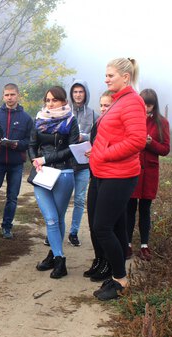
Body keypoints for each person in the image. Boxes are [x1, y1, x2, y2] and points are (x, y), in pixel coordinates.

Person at [90, 58, 147, 301]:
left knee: (102, 228)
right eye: (106, 75)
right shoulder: (118, 101)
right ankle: (116, 275)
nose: (106, 79)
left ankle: (121, 281)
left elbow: (136, 141)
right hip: (104, 172)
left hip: (119, 174)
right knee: (111, 226)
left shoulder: (133, 102)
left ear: (126, 76)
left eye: (110, 75)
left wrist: (104, 153)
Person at [29, 86, 79, 279]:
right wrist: (35, 159)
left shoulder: (70, 120)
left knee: (57, 218)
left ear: (63, 101)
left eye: (54, 100)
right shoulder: (40, 118)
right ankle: (60, 259)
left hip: (63, 173)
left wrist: (45, 159)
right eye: (47, 100)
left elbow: (73, 149)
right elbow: (32, 145)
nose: (50, 104)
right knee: (50, 218)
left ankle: (53, 254)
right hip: (42, 174)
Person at [0, 83, 33, 247]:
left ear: (18, 95)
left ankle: (7, 227)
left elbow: (30, 141)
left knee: (12, 198)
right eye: (7, 95)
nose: (10, 98)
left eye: (12, 94)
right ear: (3, 96)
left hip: (16, 163)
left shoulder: (26, 118)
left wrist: (17, 145)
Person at [127, 88, 170, 261]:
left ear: (155, 105)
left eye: (149, 105)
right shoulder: (132, 119)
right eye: (143, 104)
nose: (146, 108)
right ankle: (127, 244)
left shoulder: (162, 122)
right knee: (129, 208)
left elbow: (166, 149)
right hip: (133, 169)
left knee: (145, 209)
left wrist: (151, 143)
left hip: (150, 172)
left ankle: (144, 245)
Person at [83, 91, 115, 282]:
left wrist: (97, 153)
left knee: (104, 224)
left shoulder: (114, 126)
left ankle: (109, 264)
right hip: (94, 176)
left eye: (107, 105)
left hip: (110, 178)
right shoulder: (97, 124)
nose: (103, 109)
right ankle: (99, 259)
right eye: (101, 105)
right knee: (92, 220)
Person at [67, 80, 98, 247]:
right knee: (62, 200)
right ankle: (54, 232)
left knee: (79, 200)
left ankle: (74, 232)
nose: (78, 95)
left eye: (81, 92)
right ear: (71, 94)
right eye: (75, 92)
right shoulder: (65, 112)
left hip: (84, 165)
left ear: (86, 93)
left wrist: (84, 137)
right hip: (66, 163)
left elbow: (98, 137)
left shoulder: (93, 114)